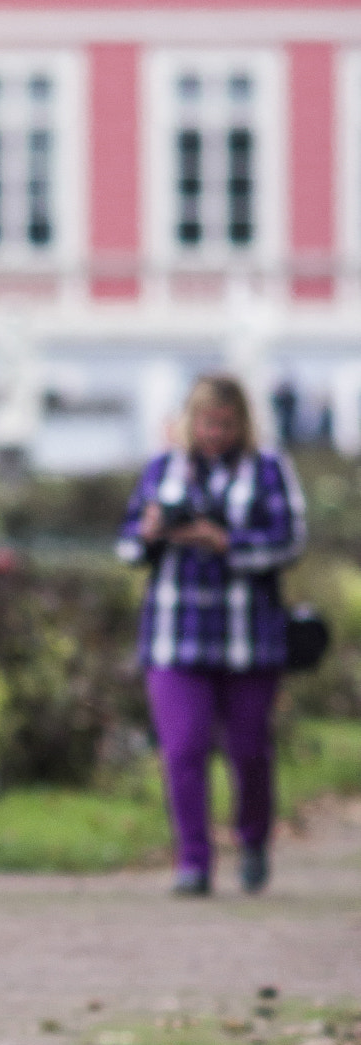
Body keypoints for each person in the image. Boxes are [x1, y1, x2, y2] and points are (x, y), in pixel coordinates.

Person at [116, 374, 306, 897]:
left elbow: (290, 541)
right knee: (183, 748)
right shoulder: (163, 470)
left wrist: (226, 542)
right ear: (189, 422)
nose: (214, 433)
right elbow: (127, 544)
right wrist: (151, 534)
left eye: (225, 424)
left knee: (249, 750)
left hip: (249, 638)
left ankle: (253, 839)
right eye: (205, 423)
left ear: (242, 423)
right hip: (176, 635)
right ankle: (194, 861)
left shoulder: (269, 470)